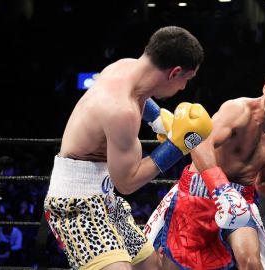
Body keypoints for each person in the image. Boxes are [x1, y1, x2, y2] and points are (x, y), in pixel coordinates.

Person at [44, 26, 212, 270]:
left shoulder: (123, 67)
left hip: (106, 200)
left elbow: (140, 96)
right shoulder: (122, 111)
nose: (183, 88)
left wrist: (157, 119)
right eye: (186, 79)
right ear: (175, 72)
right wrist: (178, 146)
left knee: (153, 267)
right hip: (75, 206)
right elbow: (127, 182)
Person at [145, 68, 265, 269]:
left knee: (252, 263)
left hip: (240, 202)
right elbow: (199, 143)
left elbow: (264, 184)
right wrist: (221, 189)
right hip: (198, 193)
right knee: (177, 264)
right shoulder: (237, 110)